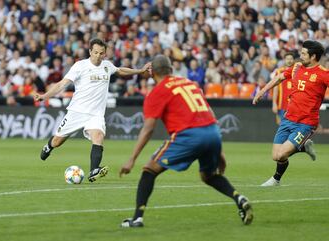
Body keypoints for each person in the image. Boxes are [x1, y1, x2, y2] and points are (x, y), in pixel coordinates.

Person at [119, 55, 253, 228]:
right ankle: (238, 198)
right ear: (171, 70)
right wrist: (219, 151)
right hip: (212, 132)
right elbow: (209, 114)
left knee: (149, 170)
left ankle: (137, 218)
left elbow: (148, 128)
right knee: (209, 175)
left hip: (188, 135)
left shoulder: (157, 92)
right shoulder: (191, 84)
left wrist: (132, 158)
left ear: (151, 72)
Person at [33, 38, 150, 183]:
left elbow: (120, 70)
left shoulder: (107, 65)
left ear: (105, 54)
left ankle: (94, 170)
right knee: (57, 141)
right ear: (90, 52)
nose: (98, 56)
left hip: (96, 114)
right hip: (77, 111)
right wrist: (44, 96)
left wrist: (140, 70)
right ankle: (48, 146)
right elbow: (62, 84)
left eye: (101, 53)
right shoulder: (80, 66)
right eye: (95, 52)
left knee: (98, 136)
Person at [253, 40, 328, 186]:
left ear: (313, 57)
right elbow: (279, 78)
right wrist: (262, 91)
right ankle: (303, 147)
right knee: (276, 156)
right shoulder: (296, 67)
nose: (300, 55)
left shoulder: (323, 74)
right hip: (288, 119)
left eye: (304, 53)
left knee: (282, 153)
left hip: (306, 123)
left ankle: (276, 179)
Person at [271, 52, 295, 124]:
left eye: (291, 59)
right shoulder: (279, 72)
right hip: (282, 105)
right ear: (284, 60)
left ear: (293, 60)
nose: (289, 60)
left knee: (293, 127)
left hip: (294, 106)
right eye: (287, 59)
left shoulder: (298, 72)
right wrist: (274, 103)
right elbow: (275, 88)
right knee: (282, 126)